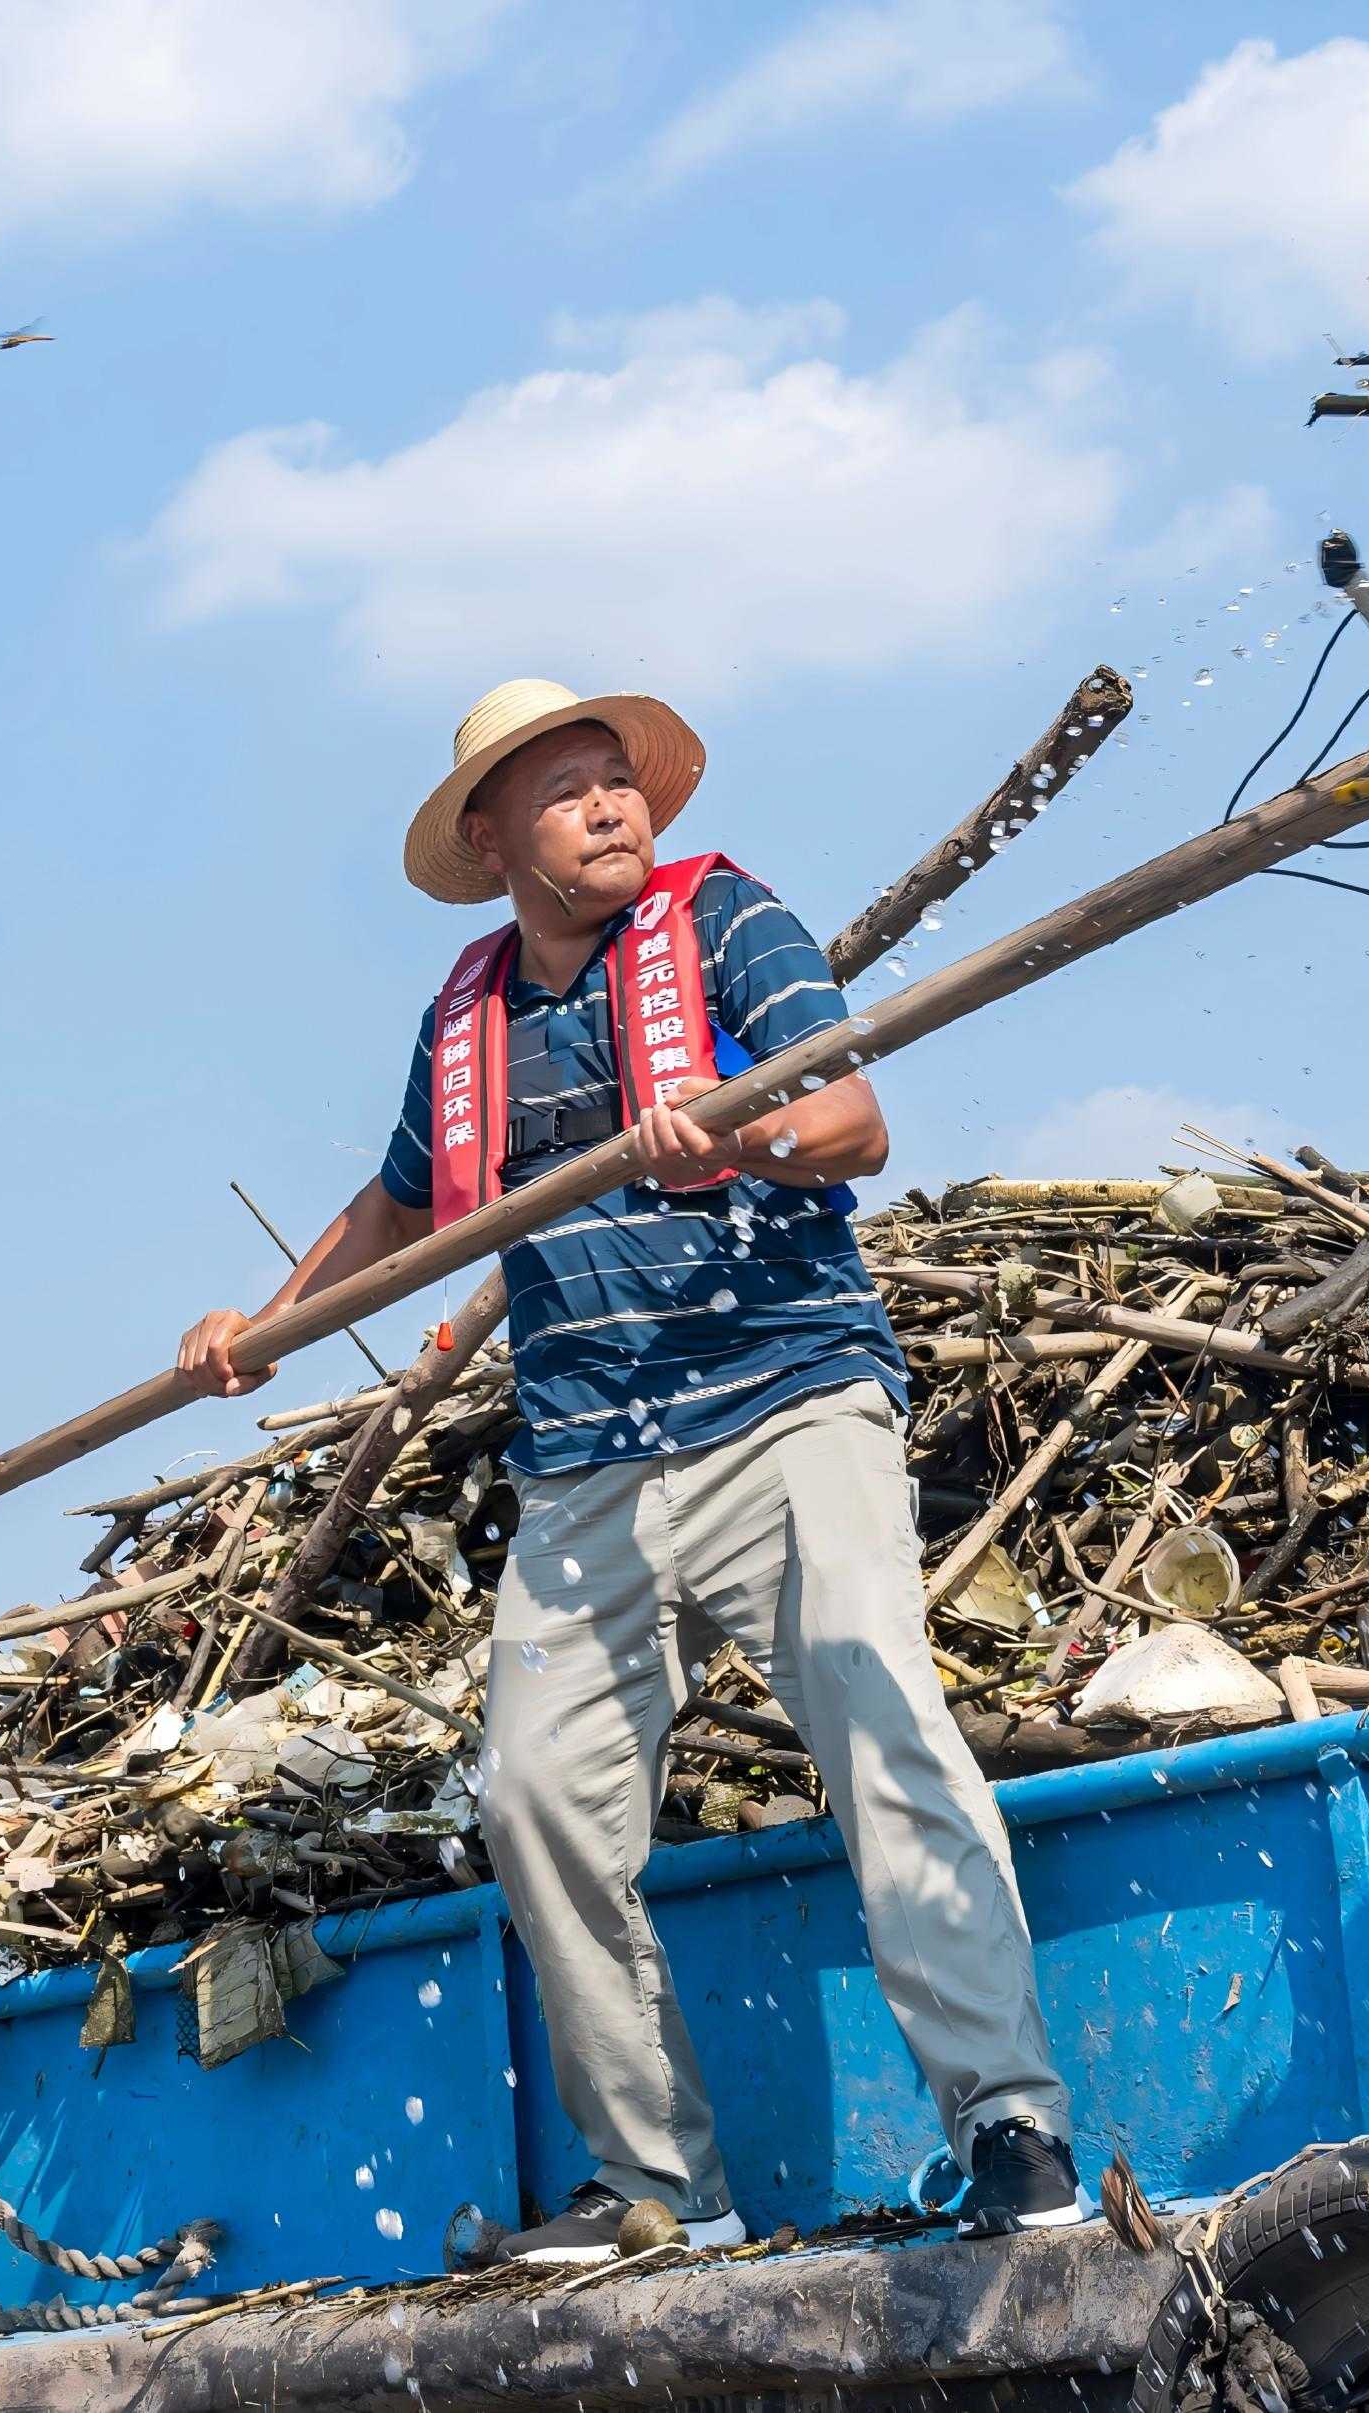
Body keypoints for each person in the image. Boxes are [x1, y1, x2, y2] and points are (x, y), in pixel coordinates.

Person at [177, 677, 1082, 2260]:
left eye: (623, 783)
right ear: (491, 836)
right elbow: (398, 1212)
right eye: (572, 790)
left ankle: (1011, 2122)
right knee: (535, 1800)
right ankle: (667, 2186)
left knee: (884, 1725)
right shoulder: (468, 1017)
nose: (615, 809)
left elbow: (855, 1120)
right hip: (588, 1458)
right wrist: (265, 1326)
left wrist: (744, 1136)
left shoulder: (728, 922)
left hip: (785, 1405)